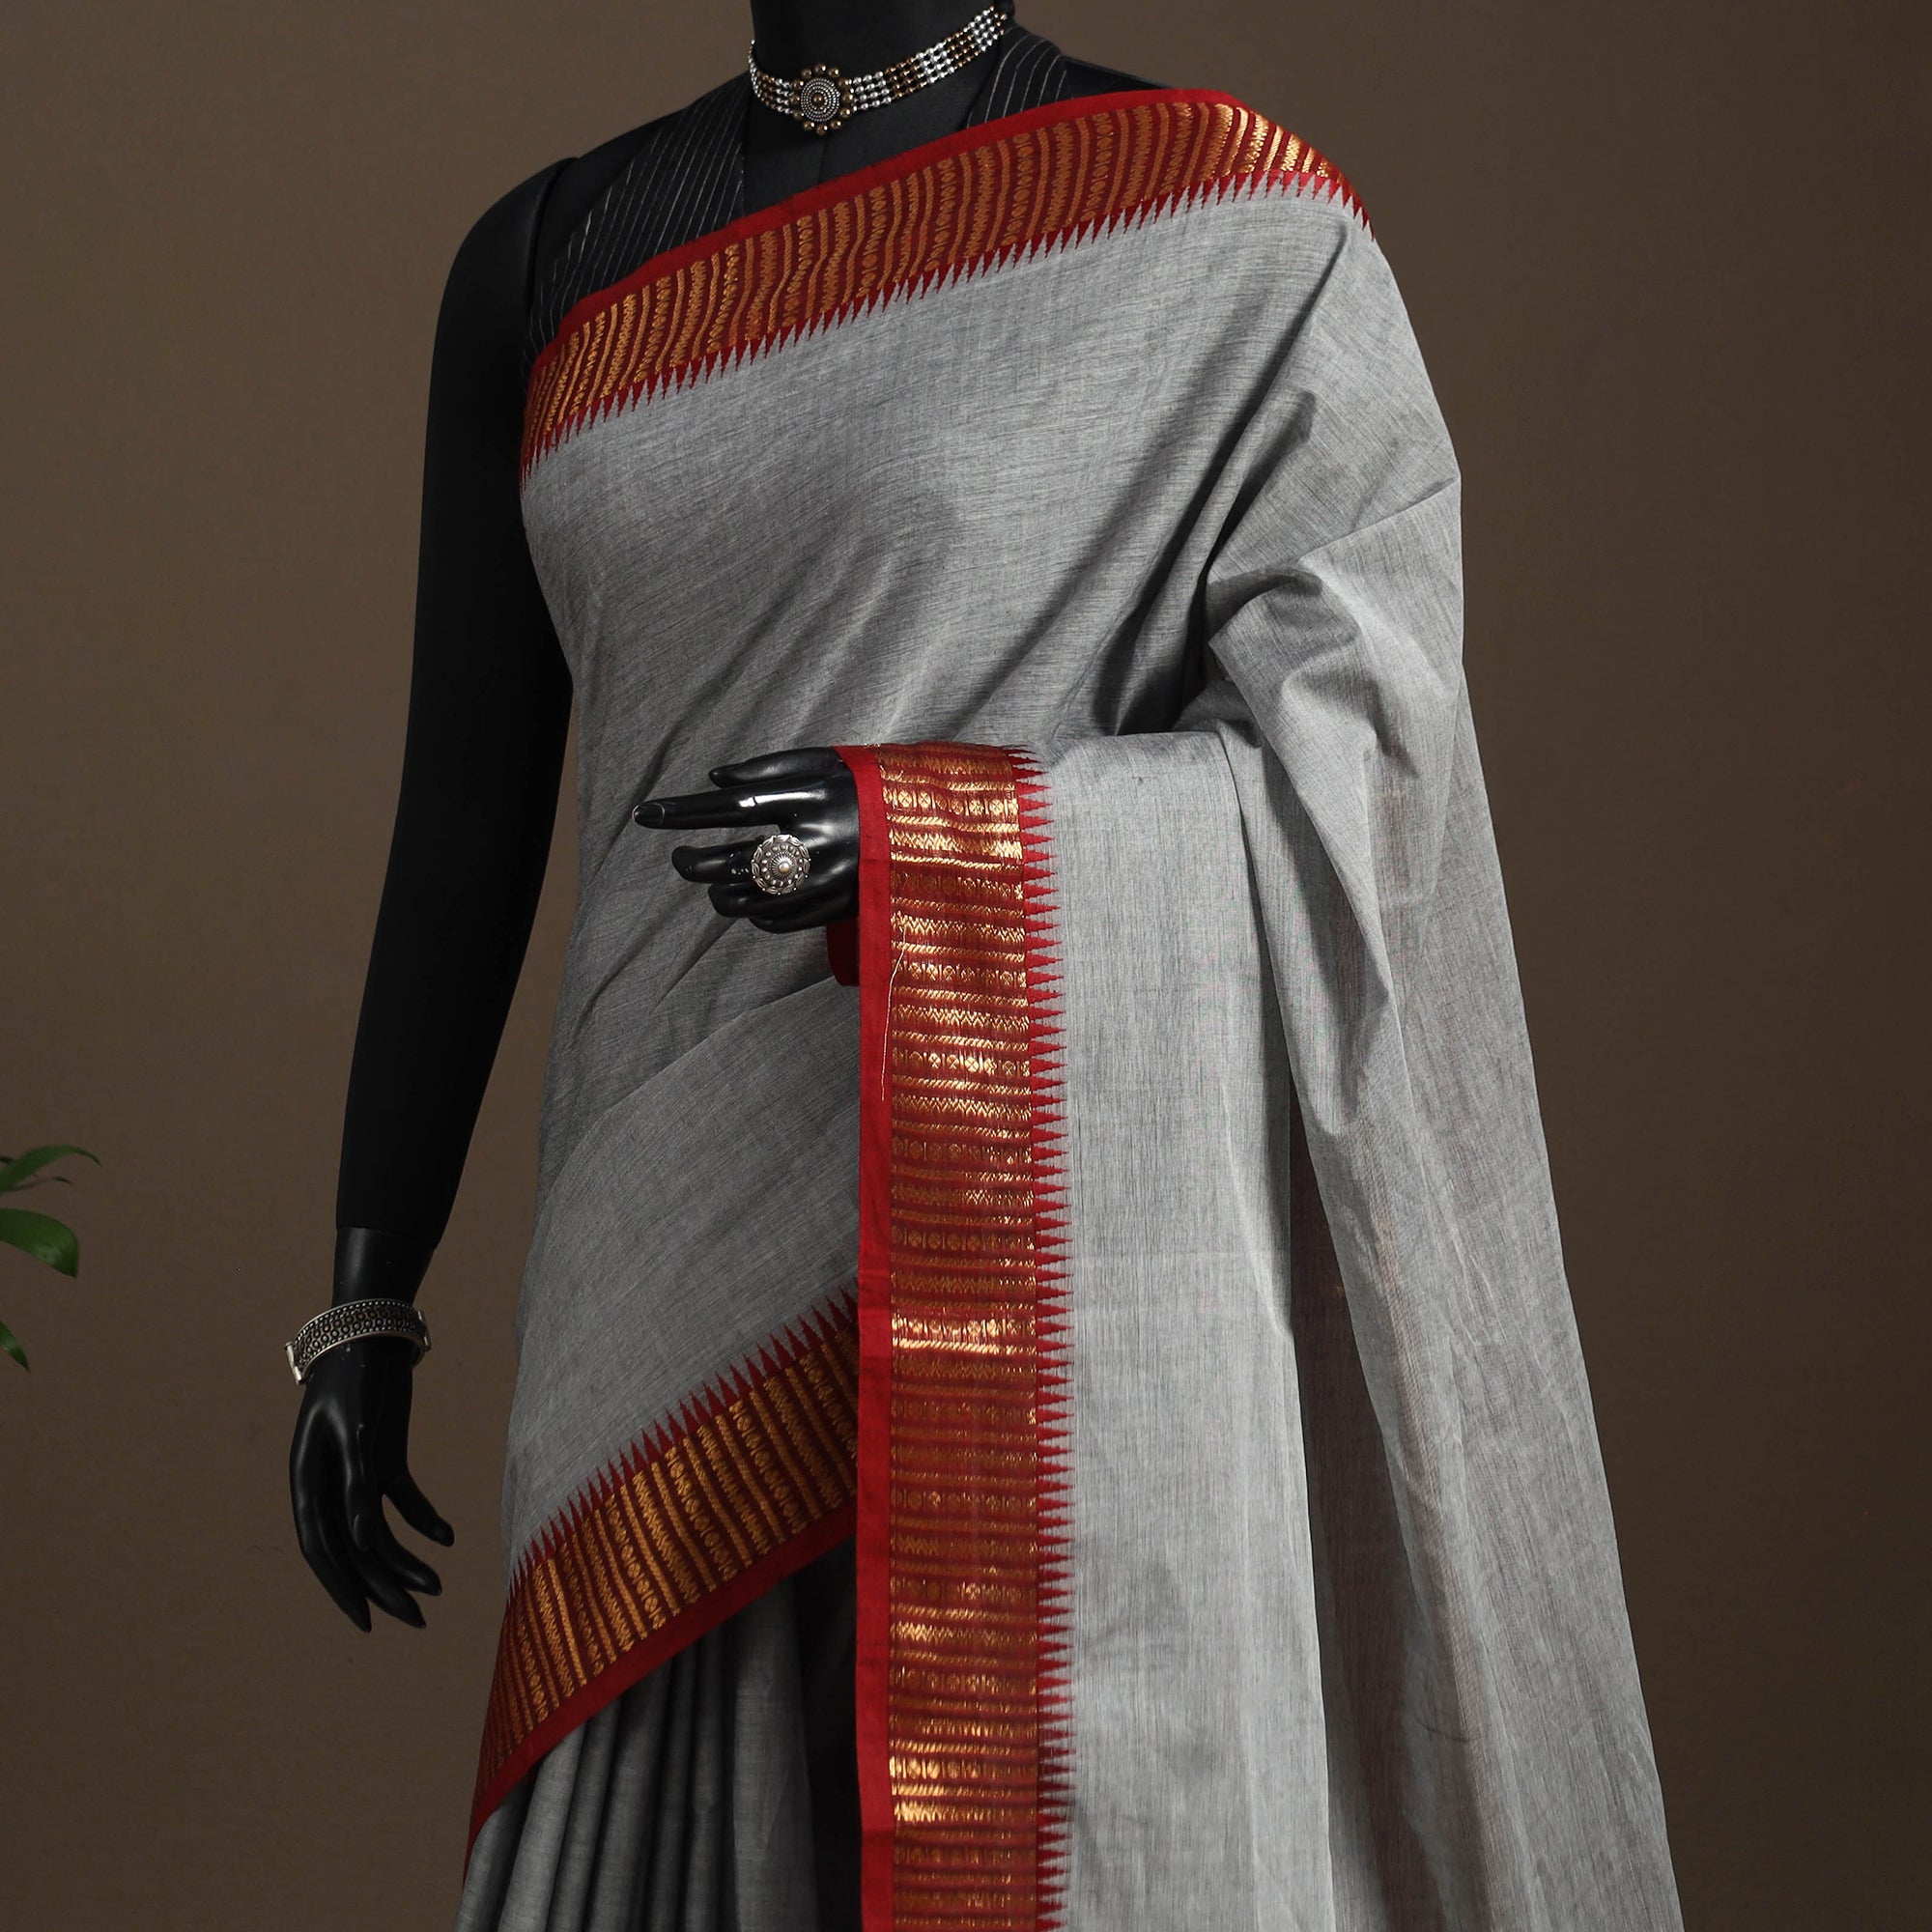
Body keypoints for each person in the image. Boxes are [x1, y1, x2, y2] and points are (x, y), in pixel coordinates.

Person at [287, 7, 1684, 1927]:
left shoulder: (1212, 220)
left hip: (1029, 1216)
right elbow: (463, 817)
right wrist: (368, 1297)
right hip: (660, 1244)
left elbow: (1365, 767)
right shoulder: (546, 260)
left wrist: (940, 842)